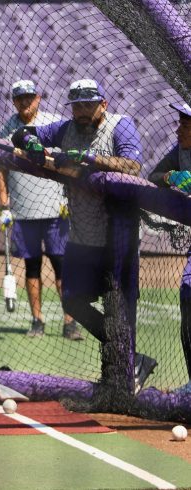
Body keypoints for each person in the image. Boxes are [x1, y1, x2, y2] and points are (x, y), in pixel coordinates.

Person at [11, 78, 156, 394]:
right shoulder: (64, 128)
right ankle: (132, 359)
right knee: (73, 301)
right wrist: (32, 144)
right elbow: (20, 133)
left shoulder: (120, 125)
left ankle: (124, 372)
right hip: (82, 233)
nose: (81, 111)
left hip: (119, 237)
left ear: (103, 104)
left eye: (88, 104)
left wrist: (86, 158)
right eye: (76, 105)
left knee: (120, 308)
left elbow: (131, 165)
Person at [0, 80, 80, 340]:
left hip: (56, 209)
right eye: (19, 98)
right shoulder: (7, 130)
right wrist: (4, 204)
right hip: (23, 210)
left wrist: (69, 197)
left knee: (62, 266)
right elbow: (0, 167)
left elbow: (68, 161)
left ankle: (70, 322)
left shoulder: (53, 124)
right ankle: (37, 320)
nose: (25, 102)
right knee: (32, 267)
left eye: (29, 97)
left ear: (38, 98)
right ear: (13, 101)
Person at [147, 102, 191, 394]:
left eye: (185, 125)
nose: (178, 129)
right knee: (187, 297)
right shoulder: (180, 153)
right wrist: (170, 177)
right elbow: (152, 176)